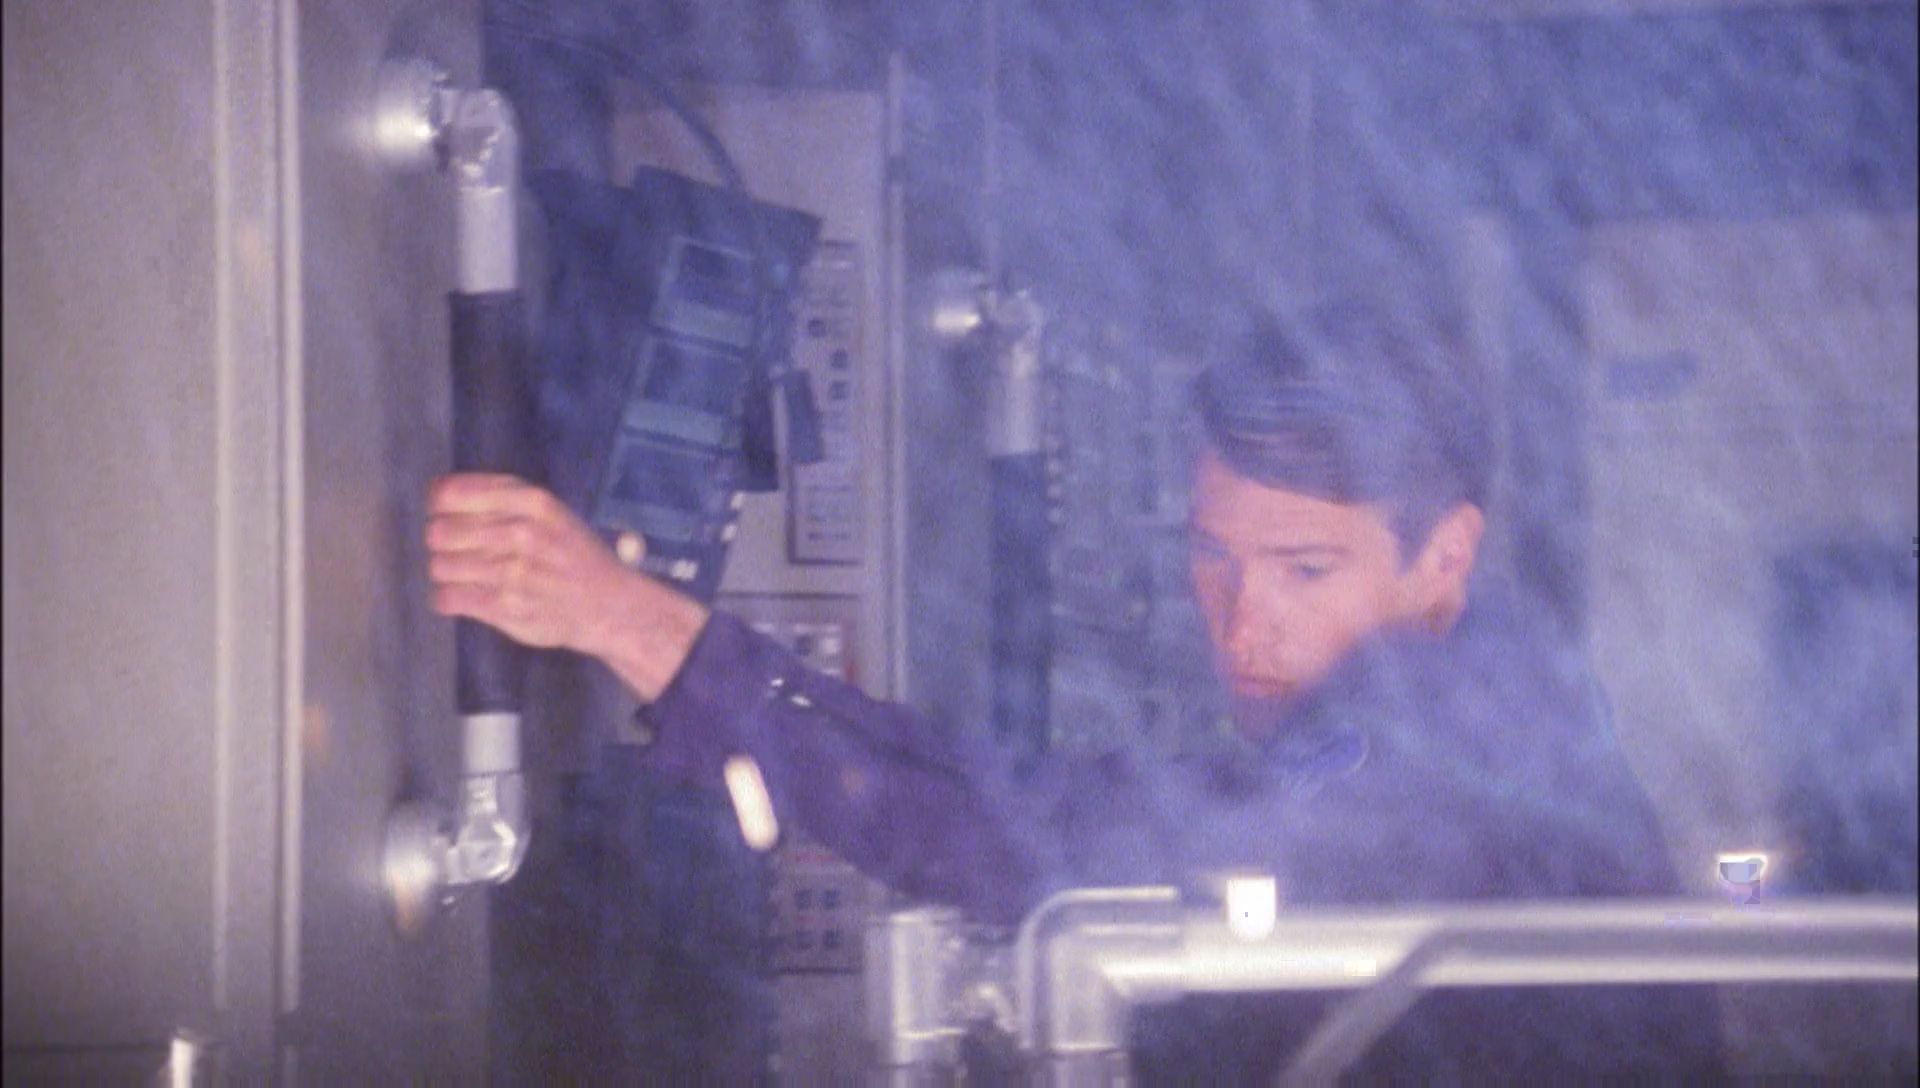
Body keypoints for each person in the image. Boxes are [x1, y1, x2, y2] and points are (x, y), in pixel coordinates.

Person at [425, 302, 1724, 1079]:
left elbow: (1050, 842)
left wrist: (639, 626)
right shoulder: (1479, 703)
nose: (1243, 624)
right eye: (1212, 558)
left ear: (1445, 556)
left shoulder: (1459, 744)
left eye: (1305, 570)